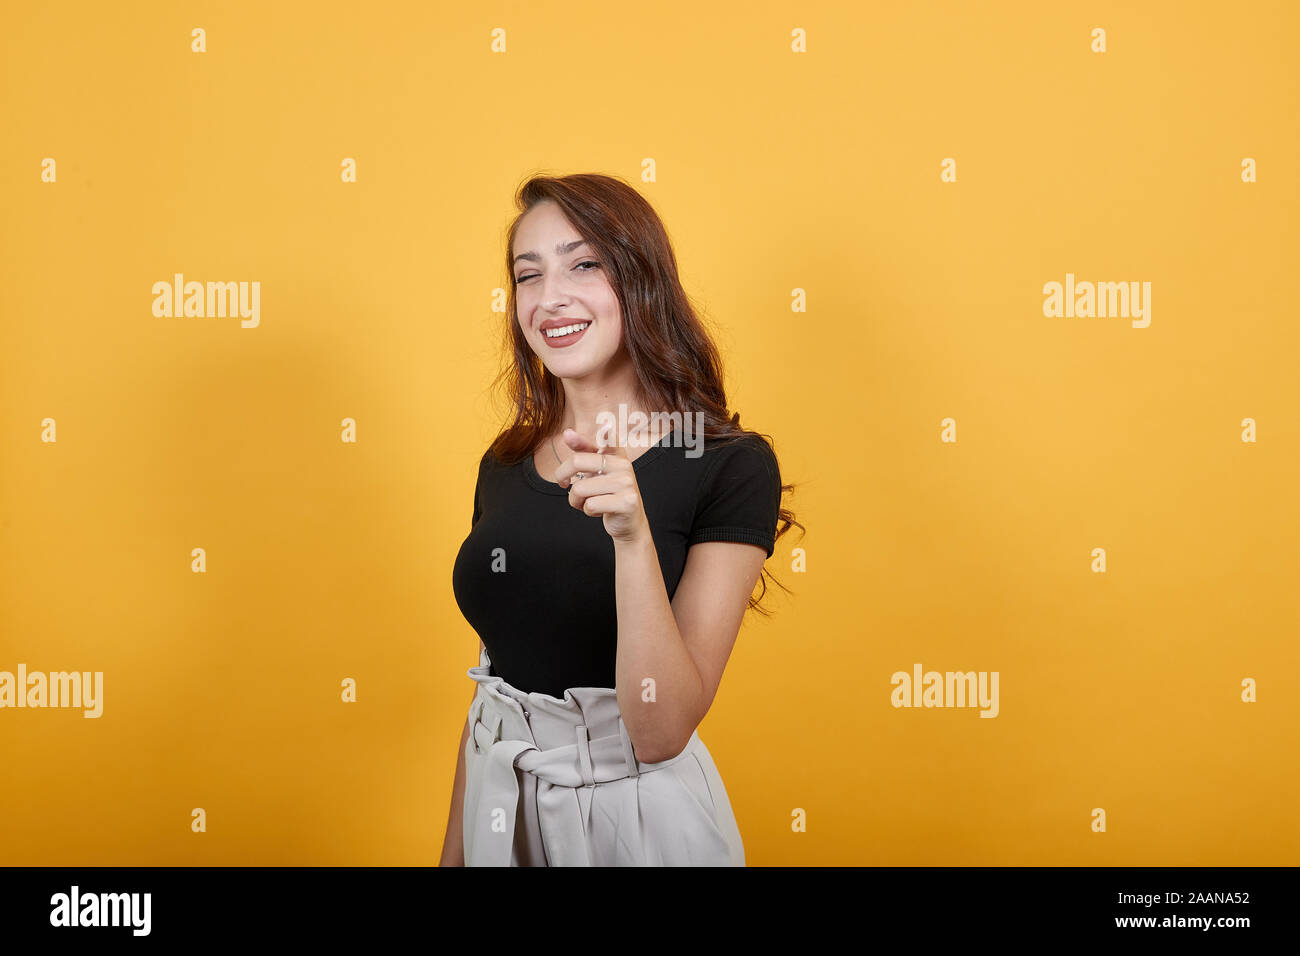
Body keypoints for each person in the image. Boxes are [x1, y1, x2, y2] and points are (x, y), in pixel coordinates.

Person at [439, 172, 802, 866]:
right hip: (499, 812)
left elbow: (661, 730)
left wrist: (631, 539)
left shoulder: (727, 464)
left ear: (640, 281)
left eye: (584, 265)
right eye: (528, 275)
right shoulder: (505, 461)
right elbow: (492, 693)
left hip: (633, 824)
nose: (551, 298)